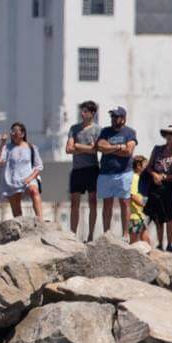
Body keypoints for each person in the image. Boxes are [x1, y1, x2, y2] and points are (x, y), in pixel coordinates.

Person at [94, 107, 138, 240]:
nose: (113, 119)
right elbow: (100, 146)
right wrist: (118, 147)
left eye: (116, 117)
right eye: (112, 116)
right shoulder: (105, 131)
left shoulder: (129, 132)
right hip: (106, 172)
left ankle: (125, 234)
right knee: (107, 203)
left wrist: (109, 149)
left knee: (124, 202)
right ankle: (107, 233)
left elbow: (128, 151)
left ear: (123, 119)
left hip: (123, 172)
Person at [65, 100, 102, 239]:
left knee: (92, 201)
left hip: (92, 169)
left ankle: (91, 235)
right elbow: (68, 149)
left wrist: (79, 147)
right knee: (74, 202)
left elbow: (97, 150)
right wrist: (86, 148)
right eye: (82, 110)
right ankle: (72, 235)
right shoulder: (74, 128)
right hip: (77, 169)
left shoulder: (98, 130)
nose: (82, 113)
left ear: (92, 113)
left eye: (86, 111)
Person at [145, 125, 172, 252]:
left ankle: (169, 244)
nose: (169, 137)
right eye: (167, 134)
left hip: (170, 185)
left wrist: (165, 177)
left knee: (169, 216)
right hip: (155, 185)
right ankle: (160, 243)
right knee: (157, 217)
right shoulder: (157, 149)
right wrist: (155, 175)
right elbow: (149, 166)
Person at [0, 121, 45, 221]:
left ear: (22, 134)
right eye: (11, 131)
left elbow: (38, 166)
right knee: (17, 211)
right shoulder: (7, 148)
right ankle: (22, 228)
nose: (13, 133)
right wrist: (2, 144)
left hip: (28, 179)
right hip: (12, 181)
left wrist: (30, 178)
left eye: (15, 131)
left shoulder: (31, 147)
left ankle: (40, 219)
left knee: (34, 191)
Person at [126, 157, 151, 246]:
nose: (148, 168)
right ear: (138, 166)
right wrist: (144, 204)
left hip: (141, 215)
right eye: (145, 165)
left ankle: (147, 257)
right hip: (135, 216)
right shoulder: (134, 177)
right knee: (133, 241)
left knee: (146, 240)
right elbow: (133, 195)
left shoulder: (141, 179)